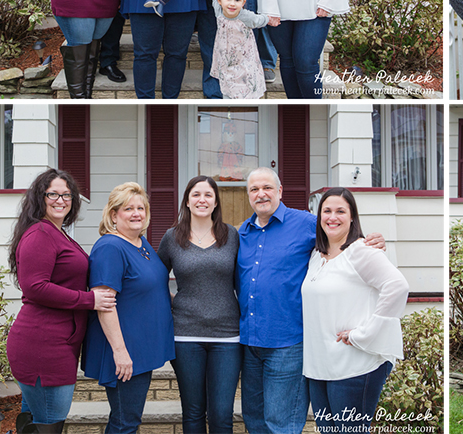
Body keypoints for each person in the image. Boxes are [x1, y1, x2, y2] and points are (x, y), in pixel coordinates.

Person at [237, 168, 385, 434]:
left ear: (280, 191)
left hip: (287, 343)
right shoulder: (242, 233)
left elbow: (339, 232)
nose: (261, 194)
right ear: (248, 195)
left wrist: (368, 242)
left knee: (281, 424)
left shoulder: (305, 223)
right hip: (249, 343)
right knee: (254, 420)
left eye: (267, 188)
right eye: (254, 189)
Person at [6, 169, 116, 434]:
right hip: (43, 346)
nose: (60, 200)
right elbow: (35, 287)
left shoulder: (58, 233)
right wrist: (90, 300)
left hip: (57, 344)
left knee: (34, 421)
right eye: (53, 194)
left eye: (67, 195)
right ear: (40, 197)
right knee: (49, 425)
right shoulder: (40, 234)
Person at [301, 188, 409, 433]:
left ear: (352, 217)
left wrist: (366, 333)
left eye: (341, 211)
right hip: (320, 366)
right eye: (326, 211)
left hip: (355, 366)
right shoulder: (316, 256)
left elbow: (397, 286)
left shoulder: (360, 251)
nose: (332, 217)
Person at [81, 182, 174, 434]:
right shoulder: (110, 247)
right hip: (125, 353)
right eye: (128, 209)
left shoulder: (140, 244)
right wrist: (120, 353)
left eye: (140, 208)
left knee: (128, 419)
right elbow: (104, 304)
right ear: (114, 215)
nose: (136, 213)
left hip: (142, 348)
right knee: (125, 423)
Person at [156, 176, 241, 434]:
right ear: (187, 201)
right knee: (192, 412)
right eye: (196, 194)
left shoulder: (232, 236)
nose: (202, 200)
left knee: (222, 414)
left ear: (216, 202)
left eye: (208, 195)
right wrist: (174, 303)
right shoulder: (172, 238)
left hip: (227, 337)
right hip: (185, 336)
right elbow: (155, 280)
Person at [210, 0, 279, 99]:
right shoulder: (219, 11)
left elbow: (259, 20)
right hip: (225, 61)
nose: (232, 4)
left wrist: (269, 19)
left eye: (237, 0)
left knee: (244, 89)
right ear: (219, 0)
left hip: (244, 62)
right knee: (227, 87)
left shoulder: (246, 16)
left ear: (243, 3)